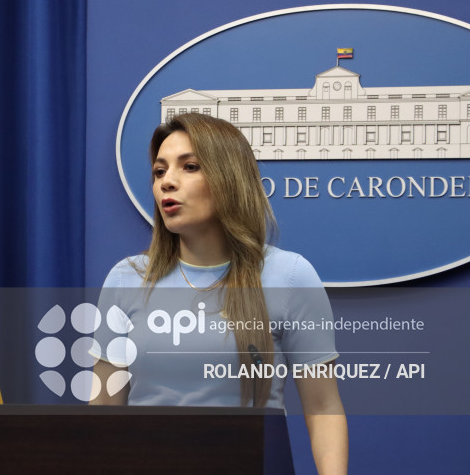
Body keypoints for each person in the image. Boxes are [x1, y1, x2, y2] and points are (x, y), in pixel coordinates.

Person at [91, 113, 347, 474]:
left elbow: (323, 409)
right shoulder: (126, 279)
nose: (167, 182)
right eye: (159, 171)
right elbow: (103, 409)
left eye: (189, 166)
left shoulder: (290, 276)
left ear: (229, 178)